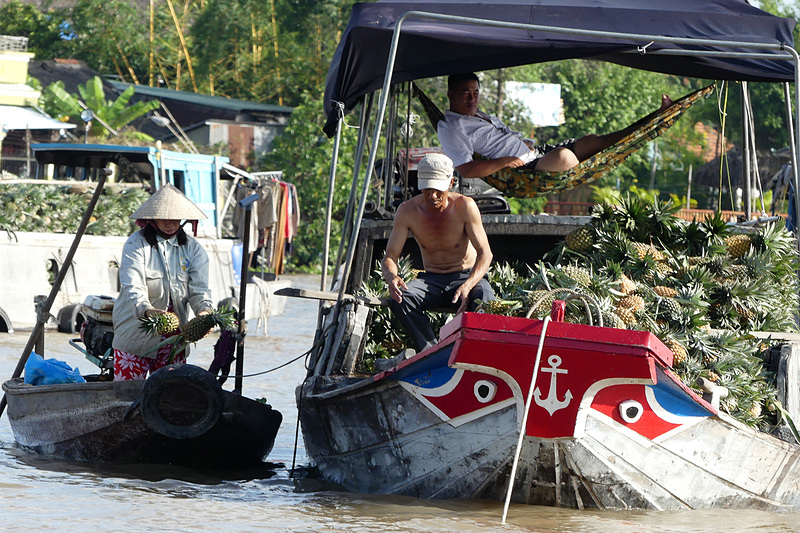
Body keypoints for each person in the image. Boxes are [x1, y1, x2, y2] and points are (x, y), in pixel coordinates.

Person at [438, 72, 673, 179]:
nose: (472, 99)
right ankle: (584, 167)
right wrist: (506, 162)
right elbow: (465, 170)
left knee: (594, 141)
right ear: (450, 94)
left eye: (476, 93)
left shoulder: (477, 115)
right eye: (465, 94)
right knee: (565, 156)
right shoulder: (451, 128)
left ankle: (654, 118)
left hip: (538, 154)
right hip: (526, 173)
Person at [382, 153, 494, 352]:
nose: (432, 196)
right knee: (401, 297)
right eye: (426, 189)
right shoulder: (407, 210)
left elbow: (485, 253)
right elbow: (391, 256)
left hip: (465, 277)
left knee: (484, 294)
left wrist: (468, 285)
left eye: (437, 190)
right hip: (431, 281)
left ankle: (473, 351)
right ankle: (430, 351)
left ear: (450, 183)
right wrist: (392, 277)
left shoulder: (465, 206)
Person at [112, 183, 214, 381]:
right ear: (152, 219)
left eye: (175, 218)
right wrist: (147, 310)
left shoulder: (193, 249)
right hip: (135, 336)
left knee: (170, 399)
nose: (170, 223)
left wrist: (204, 312)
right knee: (128, 397)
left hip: (174, 341)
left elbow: (199, 289)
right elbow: (133, 286)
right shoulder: (136, 244)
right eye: (165, 218)